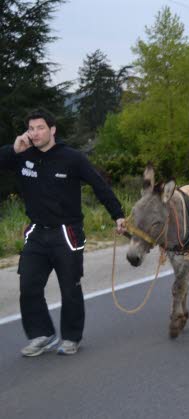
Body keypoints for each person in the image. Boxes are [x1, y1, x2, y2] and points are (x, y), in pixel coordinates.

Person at [0, 109, 126, 356]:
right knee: (28, 286)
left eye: (40, 128)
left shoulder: (72, 158)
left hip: (67, 233)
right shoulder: (22, 155)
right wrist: (13, 149)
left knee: (70, 287)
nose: (34, 134)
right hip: (36, 232)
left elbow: (99, 185)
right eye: (31, 129)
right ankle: (42, 334)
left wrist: (118, 215)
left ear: (52, 129)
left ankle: (71, 337)